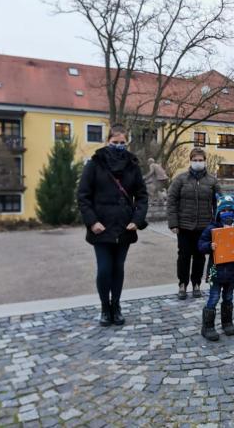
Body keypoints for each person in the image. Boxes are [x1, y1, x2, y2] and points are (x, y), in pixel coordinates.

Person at [77, 124, 149, 327]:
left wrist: (137, 220)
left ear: (127, 143)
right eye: (114, 142)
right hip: (101, 227)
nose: (118, 146)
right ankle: (104, 307)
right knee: (104, 269)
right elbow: (83, 196)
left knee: (118, 268)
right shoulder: (94, 164)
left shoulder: (132, 166)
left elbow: (142, 196)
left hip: (125, 227)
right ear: (107, 141)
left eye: (122, 143)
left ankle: (116, 306)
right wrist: (92, 222)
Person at [167, 148, 222, 299]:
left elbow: (219, 203)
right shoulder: (180, 179)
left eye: (200, 160)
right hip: (184, 226)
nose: (198, 162)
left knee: (199, 256)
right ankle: (182, 284)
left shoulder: (212, 181)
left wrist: (217, 224)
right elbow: (172, 201)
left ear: (205, 161)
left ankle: (196, 283)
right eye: (195, 160)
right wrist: (173, 223)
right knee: (183, 256)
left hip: (204, 227)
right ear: (190, 161)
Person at [197, 195, 234, 341]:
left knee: (228, 297)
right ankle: (207, 327)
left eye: (230, 210)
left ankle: (227, 323)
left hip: (232, 271)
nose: (227, 213)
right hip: (216, 271)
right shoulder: (212, 228)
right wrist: (210, 246)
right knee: (214, 297)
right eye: (223, 210)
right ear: (218, 213)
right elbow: (201, 245)